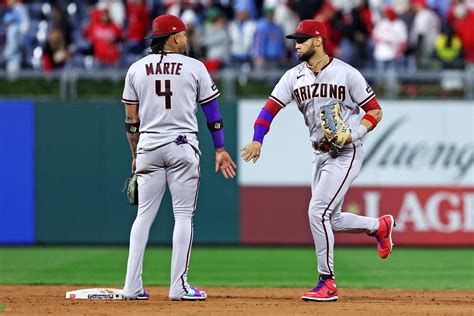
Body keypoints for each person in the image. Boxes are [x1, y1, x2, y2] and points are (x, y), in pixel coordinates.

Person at [241, 20, 395, 302]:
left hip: (346, 152)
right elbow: (268, 111)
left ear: (318, 40)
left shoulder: (346, 74)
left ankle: (327, 282)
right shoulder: (293, 77)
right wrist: (257, 139)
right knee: (331, 219)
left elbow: (375, 110)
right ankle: (379, 226)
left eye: (301, 39)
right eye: (295, 39)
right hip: (319, 153)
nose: (296, 44)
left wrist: (354, 133)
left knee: (316, 212)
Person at [121, 14, 236, 301]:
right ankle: (178, 286)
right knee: (183, 216)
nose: (186, 39)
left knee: (143, 216)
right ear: (173, 37)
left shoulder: (136, 68)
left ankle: (131, 287)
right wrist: (220, 148)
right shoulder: (195, 67)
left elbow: (130, 120)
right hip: (183, 146)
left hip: (148, 145)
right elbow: (213, 114)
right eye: (183, 35)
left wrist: (136, 154)